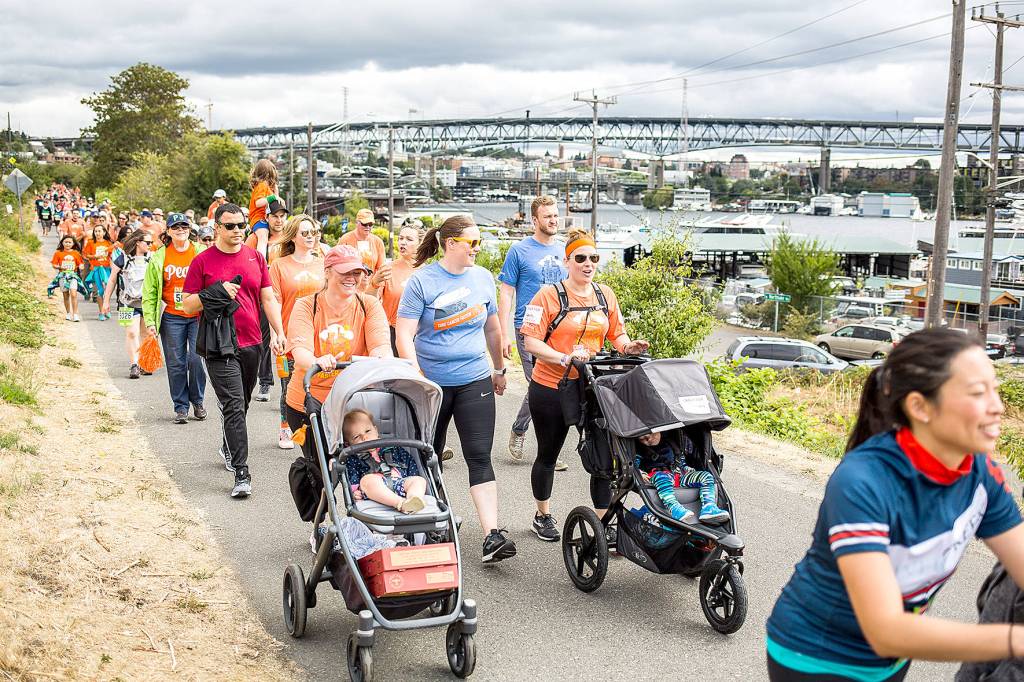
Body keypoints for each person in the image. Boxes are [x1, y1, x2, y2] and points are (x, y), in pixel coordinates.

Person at [765, 328, 1024, 681]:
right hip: (815, 657)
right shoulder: (863, 481)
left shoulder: (979, 471)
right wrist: (1014, 640)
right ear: (920, 406)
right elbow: (886, 630)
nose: (997, 407)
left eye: (995, 389)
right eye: (978, 393)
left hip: (893, 660)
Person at [395, 215, 516, 563]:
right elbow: (404, 333)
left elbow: (492, 329)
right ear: (450, 244)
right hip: (431, 385)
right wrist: (415, 373)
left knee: (479, 455)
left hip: (474, 379)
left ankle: (492, 535)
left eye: (479, 242)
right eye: (472, 243)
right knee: (428, 454)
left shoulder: (482, 278)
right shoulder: (422, 281)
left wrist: (498, 369)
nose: (477, 248)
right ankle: (432, 522)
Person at [520, 229, 649, 542]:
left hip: (593, 388)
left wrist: (627, 346)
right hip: (551, 385)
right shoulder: (547, 296)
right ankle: (542, 515)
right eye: (580, 258)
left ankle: (602, 524)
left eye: (593, 258)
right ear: (567, 262)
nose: (588, 263)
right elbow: (531, 342)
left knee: (603, 457)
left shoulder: (605, 295)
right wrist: (564, 358)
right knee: (548, 454)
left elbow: (616, 334)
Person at [182, 203, 286, 499]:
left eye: (242, 225)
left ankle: (229, 442)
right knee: (234, 405)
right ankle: (242, 472)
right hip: (218, 345)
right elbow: (187, 305)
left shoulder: (255, 257)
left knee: (242, 404)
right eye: (230, 226)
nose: (238, 230)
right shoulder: (202, 261)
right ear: (217, 228)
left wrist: (279, 332)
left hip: (252, 343)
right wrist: (214, 292)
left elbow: (268, 298)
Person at [283, 244, 391, 492]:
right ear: (327, 272)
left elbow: (381, 345)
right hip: (310, 401)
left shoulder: (368, 305)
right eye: (345, 272)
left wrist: (380, 357)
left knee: (365, 464)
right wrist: (317, 361)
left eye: (357, 272)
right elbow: (300, 352)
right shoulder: (306, 305)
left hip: (354, 401)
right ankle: (322, 514)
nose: (352, 278)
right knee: (323, 470)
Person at [498, 195, 569, 467]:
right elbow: (506, 293)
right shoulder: (519, 251)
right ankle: (544, 451)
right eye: (547, 216)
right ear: (535, 220)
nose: (553, 220)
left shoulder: (564, 250)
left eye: (555, 215)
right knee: (540, 385)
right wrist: (503, 333)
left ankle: (521, 429)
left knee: (555, 387)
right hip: (528, 327)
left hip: (559, 329)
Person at [143, 212, 207, 424]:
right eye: (176, 227)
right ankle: (181, 407)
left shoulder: (200, 252)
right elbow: (150, 291)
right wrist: (150, 321)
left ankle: (198, 401)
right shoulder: (159, 257)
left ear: (190, 229)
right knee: (176, 363)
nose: (181, 230)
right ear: (168, 232)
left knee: (196, 360)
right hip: (171, 317)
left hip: (197, 315)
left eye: (184, 226)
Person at [271, 214, 325, 449]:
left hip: (320, 335)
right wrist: (276, 333)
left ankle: (319, 427)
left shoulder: (322, 263)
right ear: (293, 236)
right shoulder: (279, 265)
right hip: (290, 335)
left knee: (319, 382)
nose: (310, 237)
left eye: (313, 232)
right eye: (305, 233)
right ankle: (286, 426)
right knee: (290, 384)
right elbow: (274, 301)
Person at [342, 408, 427, 514]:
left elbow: (409, 462)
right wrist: (354, 491)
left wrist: (411, 478)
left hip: (399, 484)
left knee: (419, 480)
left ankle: (413, 500)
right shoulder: (353, 458)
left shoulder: (392, 447)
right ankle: (400, 503)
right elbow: (351, 475)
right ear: (348, 444)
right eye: (356, 437)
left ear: (376, 430)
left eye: (367, 431)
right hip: (374, 492)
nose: (365, 437)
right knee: (367, 480)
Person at [248, 197, 291, 404]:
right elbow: (244, 261)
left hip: (288, 295)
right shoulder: (256, 238)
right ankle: (265, 381)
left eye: (282, 216)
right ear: (267, 218)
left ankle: (288, 386)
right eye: (275, 216)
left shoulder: (290, 238)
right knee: (265, 340)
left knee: (289, 340)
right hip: (265, 296)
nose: (279, 220)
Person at [635, 430, 730, 524]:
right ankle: (674, 508)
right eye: (643, 439)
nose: (649, 440)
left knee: (706, 475)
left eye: (651, 435)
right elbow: (635, 465)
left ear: (660, 431)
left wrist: (686, 468)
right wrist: (640, 473)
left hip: (678, 475)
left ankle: (709, 507)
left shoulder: (671, 444)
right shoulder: (640, 450)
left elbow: (680, 461)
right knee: (662, 477)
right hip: (657, 477)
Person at [101, 229, 154, 378]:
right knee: (131, 333)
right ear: (138, 242)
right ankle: (134, 365)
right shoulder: (122, 259)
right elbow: (112, 280)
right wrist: (106, 301)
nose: (150, 245)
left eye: (151, 242)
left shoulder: (153, 258)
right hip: (126, 302)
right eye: (147, 242)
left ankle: (144, 363)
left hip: (147, 303)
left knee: (146, 334)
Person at [368, 219, 421, 355]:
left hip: (421, 335)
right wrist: (374, 283)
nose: (403, 242)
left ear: (420, 244)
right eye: (401, 238)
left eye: (409, 239)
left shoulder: (427, 272)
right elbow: (369, 302)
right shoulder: (388, 269)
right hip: (392, 334)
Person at [338, 208, 385, 290]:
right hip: (350, 288)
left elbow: (381, 268)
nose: (368, 227)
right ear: (357, 222)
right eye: (364, 224)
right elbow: (338, 265)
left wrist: (376, 286)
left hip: (371, 288)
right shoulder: (345, 239)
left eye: (370, 224)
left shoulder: (378, 242)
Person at [48, 235, 85, 322]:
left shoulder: (76, 253)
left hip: (73, 276)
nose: (68, 244)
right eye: (66, 242)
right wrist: (60, 267)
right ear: (62, 243)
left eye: (69, 242)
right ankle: (68, 313)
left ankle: (75, 314)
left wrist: (81, 266)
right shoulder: (58, 253)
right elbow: (54, 264)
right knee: (65, 295)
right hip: (63, 276)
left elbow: (81, 264)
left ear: (73, 243)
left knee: (73, 294)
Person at [247, 159, 279, 254]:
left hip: (266, 218)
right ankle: (261, 259)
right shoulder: (262, 185)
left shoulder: (267, 187)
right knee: (263, 238)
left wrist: (276, 193)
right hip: (259, 218)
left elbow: (276, 203)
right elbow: (258, 202)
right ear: (268, 173)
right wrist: (273, 197)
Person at [83, 223, 114, 318]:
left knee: (107, 291)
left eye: (99, 231)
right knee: (100, 291)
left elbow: (112, 256)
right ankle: (101, 312)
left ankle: (107, 309)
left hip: (106, 269)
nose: (97, 233)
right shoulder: (91, 242)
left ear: (104, 232)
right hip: (96, 269)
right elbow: (86, 255)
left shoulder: (108, 243)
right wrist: (95, 257)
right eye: (95, 231)